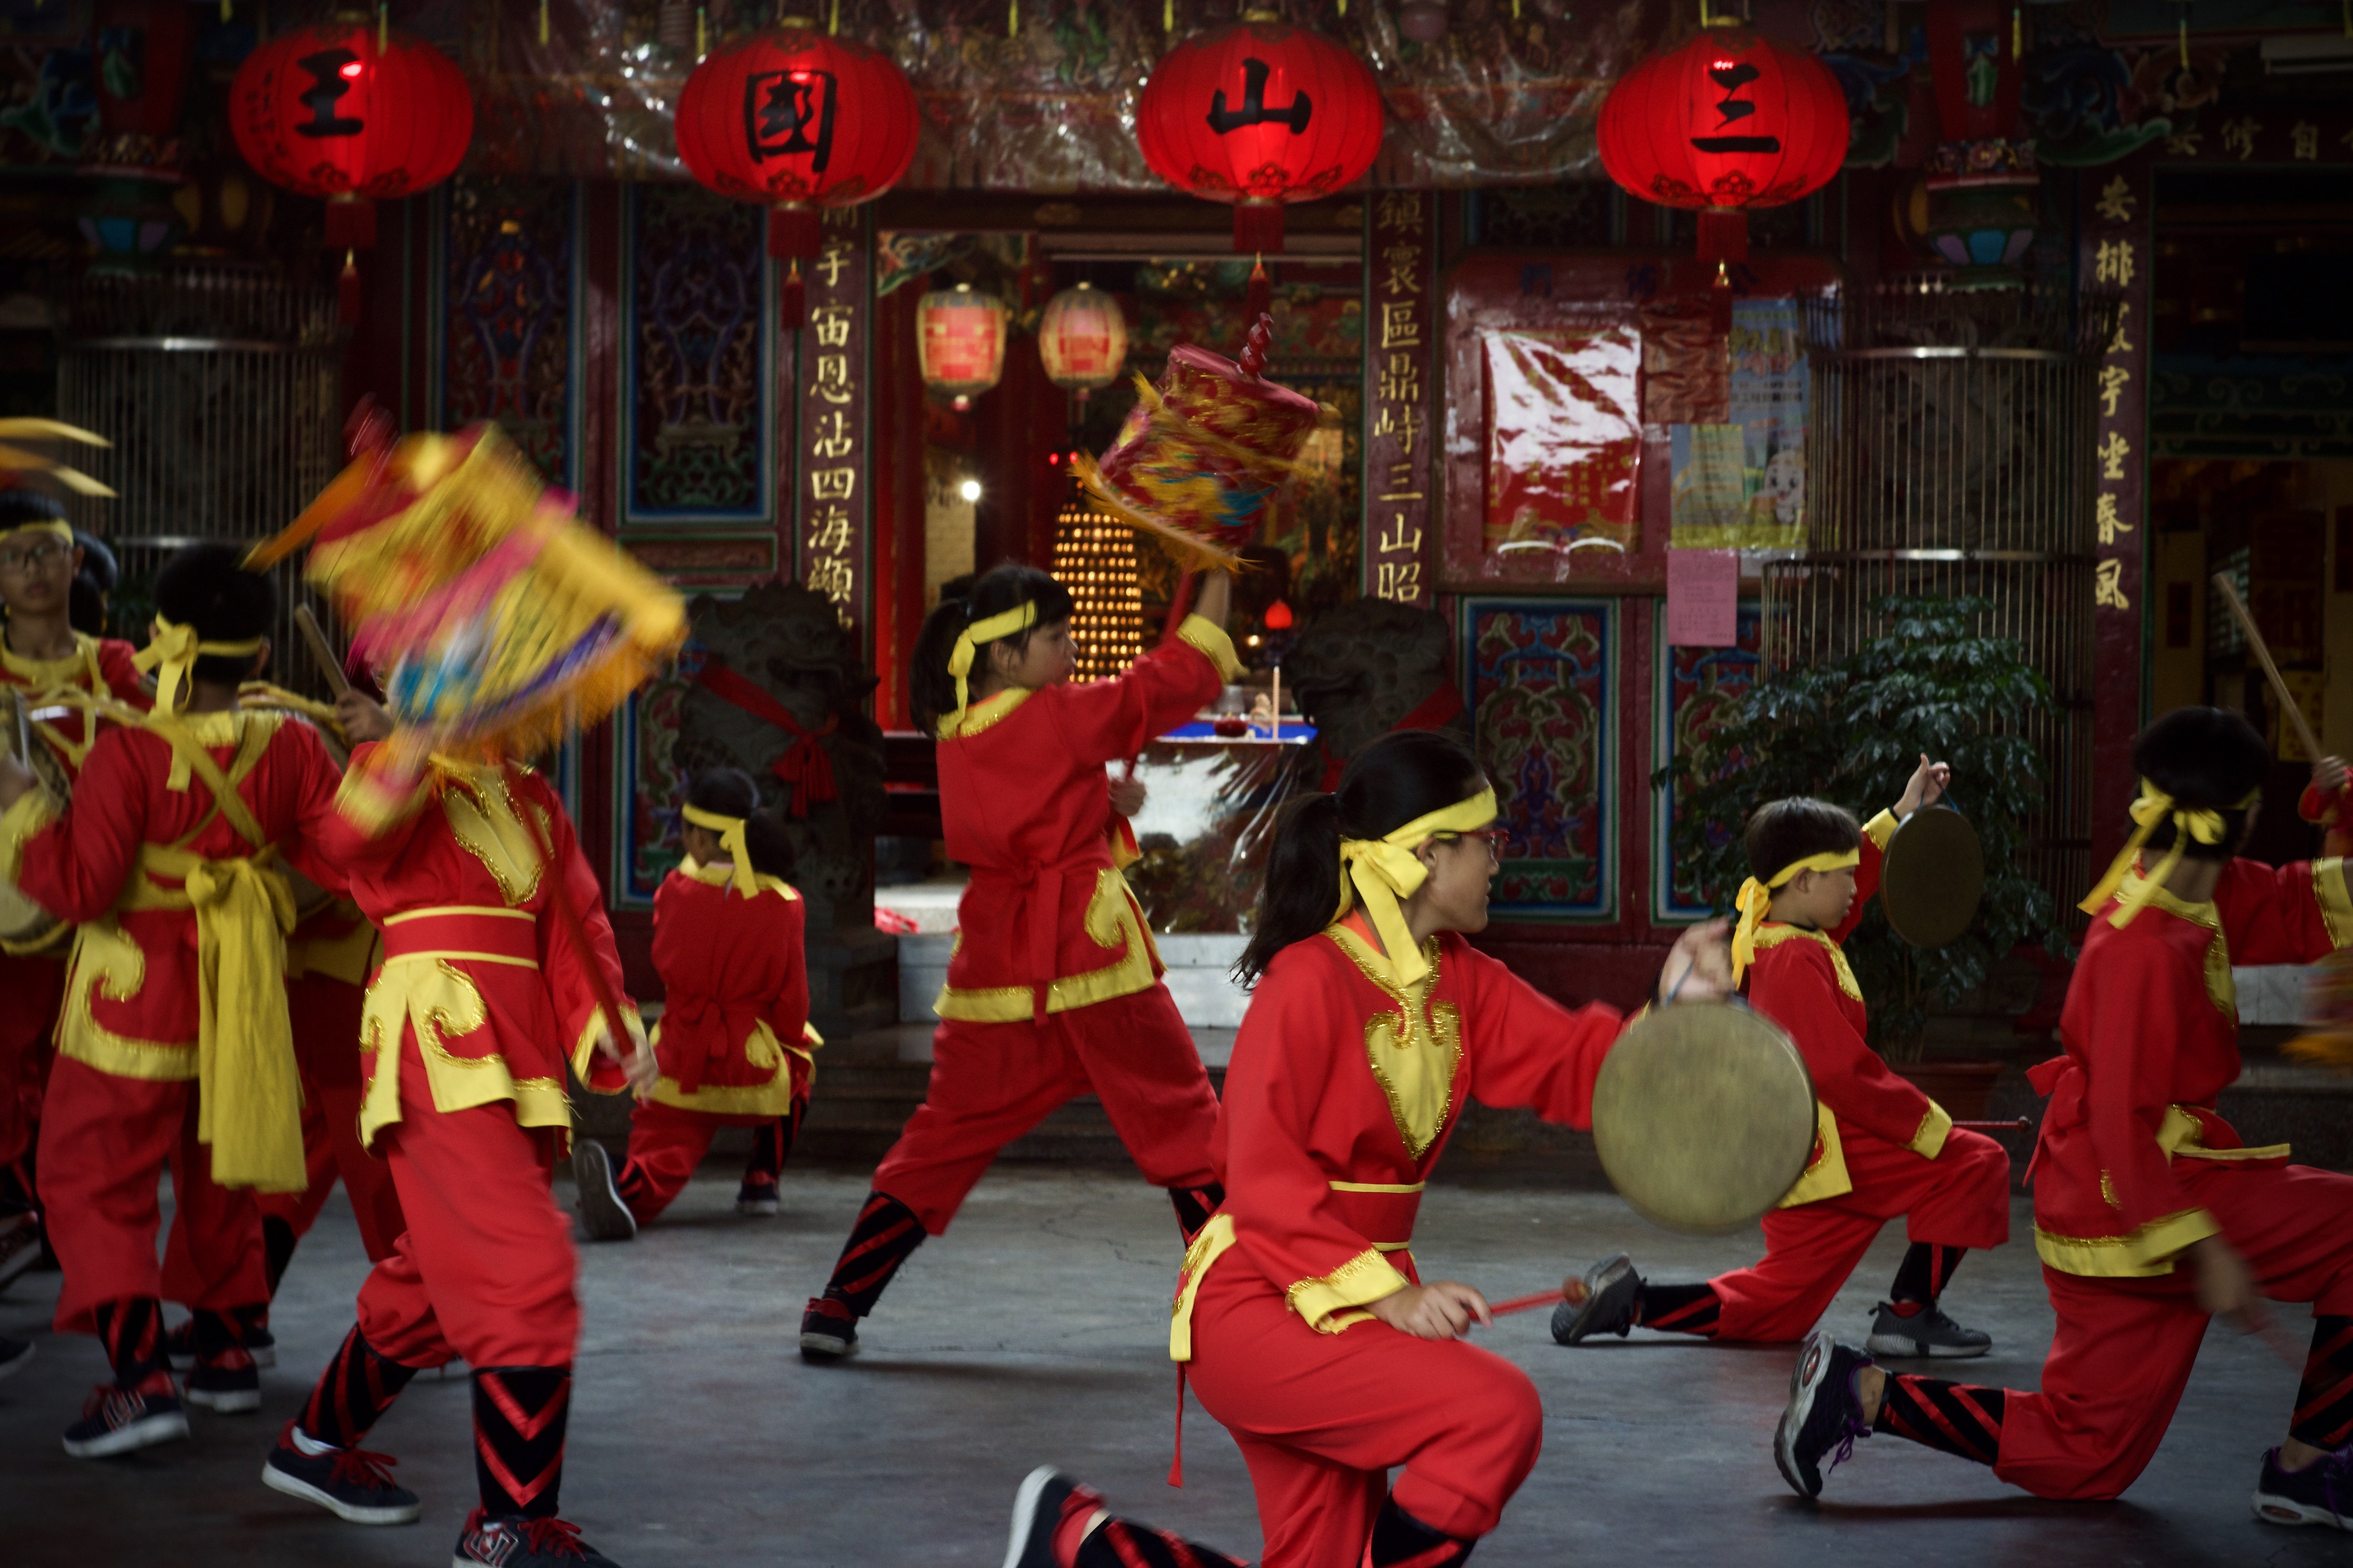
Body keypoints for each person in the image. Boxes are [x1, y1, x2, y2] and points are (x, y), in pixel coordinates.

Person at [1007, 730, 1736, 1568]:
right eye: (1486, 841)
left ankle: (1076, 1542)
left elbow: (1580, 1065)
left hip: (1353, 1296)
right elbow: (1261, 1177)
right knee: (1494, 1413)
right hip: (1263, 1300)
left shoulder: (1461, 979)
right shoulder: (1307, 981)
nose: (1498, 861)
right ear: (1425, 854)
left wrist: (1674, 1010)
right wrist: (1386, 1297)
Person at [1775, 710, 2353, 1529]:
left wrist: (2343, 817)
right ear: (2238, 817)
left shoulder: (2191, 883)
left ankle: (1860, 1392)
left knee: (2086, 1456)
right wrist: (2197, 1245)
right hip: (2136, 1189)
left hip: (2117, 1188)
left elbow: (2295, 904)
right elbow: (2120, 1119)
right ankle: (2309, 1465)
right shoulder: (2140, 946)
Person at [257, 682, 656, 1566]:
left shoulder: (533, 797)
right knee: (520, 1267)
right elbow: (347, 841)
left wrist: (608, 1021)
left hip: (517, 1053)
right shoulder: (395, 769)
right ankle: (507, 1527)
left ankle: (315, 1443)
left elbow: (576, 927)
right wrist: (411, 742)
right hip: (434, 1037)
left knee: (439, 1277)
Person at [799, 563, 1240, 1361]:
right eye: (1056, 637)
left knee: (943, 1137)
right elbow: (1166, 685)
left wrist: (1094, 800)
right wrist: (1215, 572)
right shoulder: (1058, 716)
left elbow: (1025, 810)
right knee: (1182, 1121)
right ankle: (1245, 1307)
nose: (1072, 651)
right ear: (1004, 655)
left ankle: (837, 1305)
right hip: (1088, 953)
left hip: (998, 965)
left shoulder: (958, 732)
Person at [0, 541, 342, 1456]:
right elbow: (341, 859)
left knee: (91, 1178)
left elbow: (79, 889)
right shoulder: (295, 744)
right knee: (223, 1165)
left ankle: (141, 1382)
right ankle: (227, 1352)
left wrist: (21, 802)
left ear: (162, 639)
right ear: (261, 654)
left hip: (131, 1002)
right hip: (242, 993)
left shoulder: (129, 755)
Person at [1556, 756, 2011, 1358]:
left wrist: (1902, 814)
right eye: (1843, 876)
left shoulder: (1780, 930)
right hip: (1833, 1143)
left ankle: (1632, 1303)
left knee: (1777, 1309)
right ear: (1803, 882)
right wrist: (1926, 1121)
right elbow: (1837, 1071)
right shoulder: (1795, 958)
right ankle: (1910, 1314)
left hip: (1802, 1154)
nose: (1856, 888)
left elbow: (1845, 889)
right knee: (1974, 1162)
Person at [0, 492, 149, 1312]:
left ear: (75, 560)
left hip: (104, 912)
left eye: (44, 551)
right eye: (11, 555)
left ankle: (79, 1240)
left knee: (88, 1097)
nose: (30, 569)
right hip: (13, 919)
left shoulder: (116, 670)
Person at [574, 766, 817, 1239]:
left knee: (662, 1157)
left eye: (685, 831)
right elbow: (793, 1003)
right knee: (800, 1066)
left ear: (702, 840)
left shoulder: (672, 891)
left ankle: (625, 1181)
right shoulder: (785, 903)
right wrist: (789, 1042)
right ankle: (761, 1181)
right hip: (750, 1068)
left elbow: (666, 962)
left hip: (679, 1061)